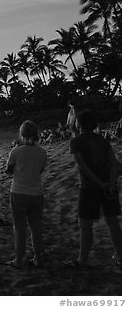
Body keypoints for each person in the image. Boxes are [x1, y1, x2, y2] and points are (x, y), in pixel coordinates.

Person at [69, 110, 121, 267]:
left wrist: (100, 183)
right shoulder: (102, 140)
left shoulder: (76, 141)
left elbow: (83, 167)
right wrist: (110, 183)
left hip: (89, 187)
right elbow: (113, 163)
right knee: (112, 222)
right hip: (109, 186)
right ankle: (120, 256)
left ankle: (82, 260)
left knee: (85, 224)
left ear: (79, 124)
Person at [4, 121, 47, 268]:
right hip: (36, 193)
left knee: (19, 227)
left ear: (22, 134)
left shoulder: (16, 151)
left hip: (19, 191)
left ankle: (19, 258)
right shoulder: (42, 152)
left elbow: (8, 170)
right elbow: (40, 171)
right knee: (36, 227)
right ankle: (38, 257)